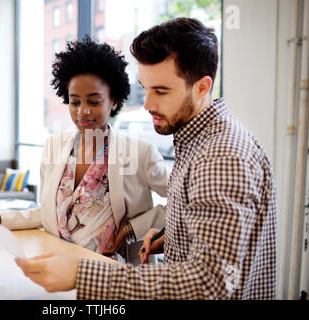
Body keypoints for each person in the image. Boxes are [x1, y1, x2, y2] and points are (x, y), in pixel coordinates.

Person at [15, 17, 277, 300]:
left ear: (202, 87)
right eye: (146, 88)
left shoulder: (221, 157)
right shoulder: (197, 143)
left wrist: (81, 274)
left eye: (161, 91)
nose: (148, 104)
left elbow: (209, 284)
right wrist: (174, 237)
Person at [0, 36, 169, 260]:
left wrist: (133, 228)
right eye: (75, 102)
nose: (82, 111)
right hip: (59, 268)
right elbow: (49, 213)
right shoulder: (55, 146)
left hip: (114, 276)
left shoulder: (141, 153)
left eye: (94, 101)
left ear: (114, 100)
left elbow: (184, 207)